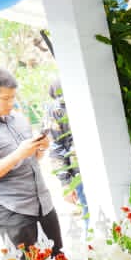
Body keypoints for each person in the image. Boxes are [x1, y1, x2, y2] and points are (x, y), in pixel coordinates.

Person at [0, 66, 62, 259]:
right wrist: (17, 154)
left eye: (13, 97)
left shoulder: (18, 118)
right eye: (5, 98)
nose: (11, 103)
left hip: (42, 202)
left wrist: (40, 148)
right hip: (11, 208)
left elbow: (32, 159)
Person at [44, 81, 87, 227]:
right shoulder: (56, 108)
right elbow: (56, 146)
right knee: (93, 217)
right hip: (80, 174)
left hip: (85, 169)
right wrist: (66, 183)